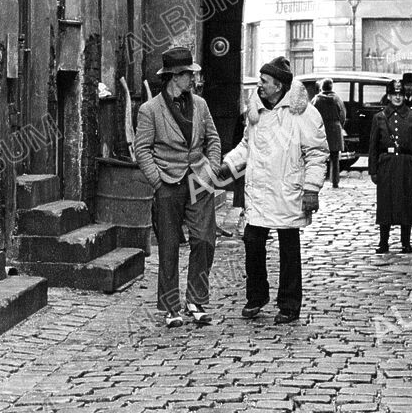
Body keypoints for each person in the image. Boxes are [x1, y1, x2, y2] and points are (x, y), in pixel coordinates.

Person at [220, 56, 328, 324]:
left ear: (278, 86)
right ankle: (256, 297)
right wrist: (229, 164)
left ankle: (289, 304)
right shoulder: (256, 111)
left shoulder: (302, 112)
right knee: (253, 241)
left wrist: (312, 188)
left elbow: (316, 153)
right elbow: (248, 144)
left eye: (264, 81)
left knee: (288, 248)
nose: (260, 86)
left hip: (288, 189)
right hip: (259, 190)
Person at [134, 46, 221, 327]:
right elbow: (142, 149)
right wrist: (158, 181)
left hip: (198, 180)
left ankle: (196, 301)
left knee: (204, 239)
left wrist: (212, 170)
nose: (193, 79)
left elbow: (213, 139)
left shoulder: (201, 105)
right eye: (188, 74)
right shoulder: (150, 110)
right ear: (174, 76)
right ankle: (172, 307)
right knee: (169, 246)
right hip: (168, 183)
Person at [368, 79, 412, 253]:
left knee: (407, 202)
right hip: (386, 164)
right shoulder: (379, 117)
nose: (397, 98)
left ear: (405, 96)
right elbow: (373, 146)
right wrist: (373, 170)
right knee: (385, 202)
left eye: (400, 95)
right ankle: (383, 242)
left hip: (407, 165)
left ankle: (405, 242)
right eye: (394, 94)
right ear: (388, 96)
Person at [311, 78, 347, 188]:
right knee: (335, 157)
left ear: (322, 87)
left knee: (318, 157)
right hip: (335, 130)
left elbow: (312, 115)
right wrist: (339, 125)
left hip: (321, 130)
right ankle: (335, 181)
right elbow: (343, 115)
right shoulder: (337, 99)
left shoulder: (316, 99)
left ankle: (316, 180)